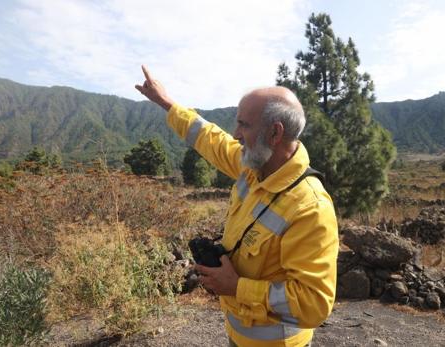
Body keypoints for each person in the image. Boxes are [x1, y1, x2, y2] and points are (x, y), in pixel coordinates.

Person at [136, 65, 339, 347]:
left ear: (274, 133)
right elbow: (209, 138)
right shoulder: (253, 166)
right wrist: (165, 102)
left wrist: (237, 287)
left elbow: (313, 305)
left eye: (244, 124)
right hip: (238, 336)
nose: (235, 134)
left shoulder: (310, 208)